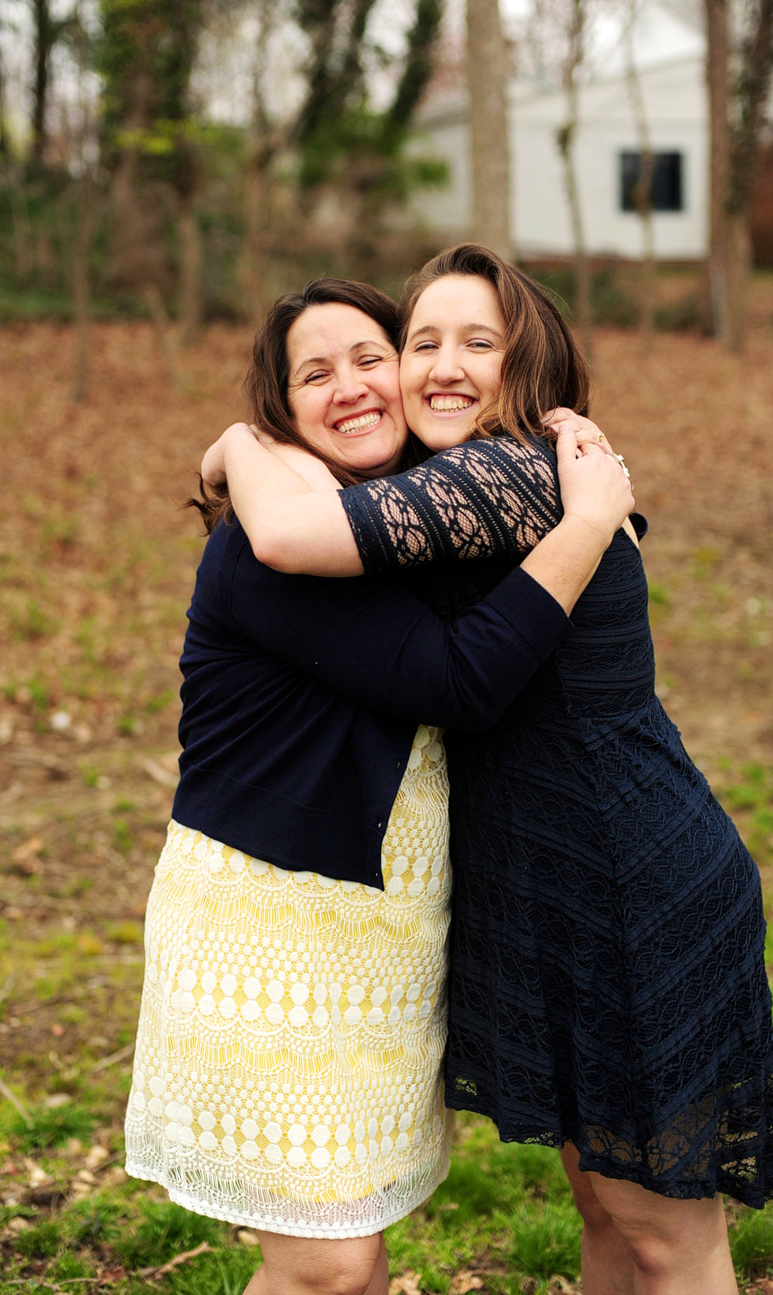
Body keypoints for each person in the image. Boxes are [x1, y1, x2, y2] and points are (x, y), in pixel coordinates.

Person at [203, 247, 773, 1295]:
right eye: (423, 341)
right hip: (555, 885)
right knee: (608, 1212)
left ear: (531, 366)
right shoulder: (481, 480)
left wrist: (238, 444)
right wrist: (241, 443)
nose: (444, 365)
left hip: (631, 885)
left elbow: (286, 528)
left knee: (669, 1238)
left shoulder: (508, 473)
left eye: (480, 342)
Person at [124, 277, 635, 1295]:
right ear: (284, 409)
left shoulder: (394, 523)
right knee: (330, 1264)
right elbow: (461, 680)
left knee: (353, 1259)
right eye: (315, 374)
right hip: (270, 923)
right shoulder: (266, 555)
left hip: (382, 934)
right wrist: (589, 523)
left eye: (370, 358)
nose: (351, 386)